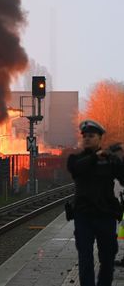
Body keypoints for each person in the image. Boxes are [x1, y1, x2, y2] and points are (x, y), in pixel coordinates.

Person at [68, 119, 124, 286]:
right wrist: (96, 156)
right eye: (84, 136)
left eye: (91, 136)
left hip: (105, 216)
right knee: (85, 258)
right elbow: (77, 170)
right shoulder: (75, 159)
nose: (86, 138)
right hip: (83, 216)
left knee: (107, 258)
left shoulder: (109, 160)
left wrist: (118, 158)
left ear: (100, 138)